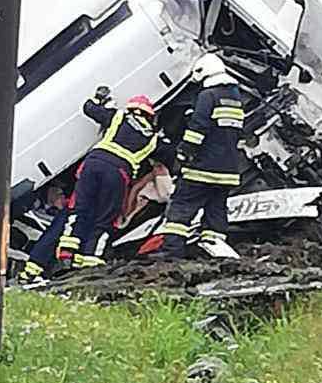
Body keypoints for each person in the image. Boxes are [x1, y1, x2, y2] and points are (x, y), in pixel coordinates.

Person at [55, 91, 168, 269]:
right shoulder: (152, 138)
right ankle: (91, 257)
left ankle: (66, 253)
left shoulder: (118, 116)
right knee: (106, 216)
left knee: (80, 208)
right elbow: (168, 155)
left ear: (131, 108)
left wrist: (98, 99)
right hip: (118, 172)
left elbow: (89, 108)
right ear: (149, 115)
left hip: (93, 163)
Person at [157, 53, 246, 260]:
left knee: (181, 206)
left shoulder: (209, 96)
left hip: (203, 169)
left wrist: (184, 153)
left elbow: (198, 128)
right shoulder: (235, 97)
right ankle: (215, 255)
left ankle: (172, 253)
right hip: (228, 171)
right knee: (215, 212)